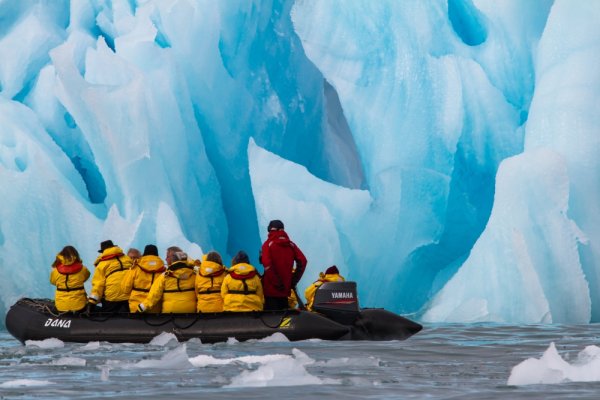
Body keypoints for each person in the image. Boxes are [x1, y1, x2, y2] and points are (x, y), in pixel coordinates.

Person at [260, 219, 307, 310]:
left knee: (271, 320)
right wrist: (294, 280)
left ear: (270, 230)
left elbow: (267, 265)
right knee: (284, 320)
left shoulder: (268, 244)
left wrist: (276, 282)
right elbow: (303, 261)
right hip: (285, 291)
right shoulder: (291, 245)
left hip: (271, 291)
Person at [137, 246, 196, 313]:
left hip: (170, 312)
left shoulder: (165, 276)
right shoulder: (194, 275)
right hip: (191, 312)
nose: (165, 259)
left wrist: (141, 308)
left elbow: (154, 295)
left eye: (167, 256)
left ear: (173, 258)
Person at [88, 240, 133, 312]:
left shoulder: (102, 265)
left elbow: (98, 285)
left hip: (112, 298)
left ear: (103, 252)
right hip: (130, 296)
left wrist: (91, 303)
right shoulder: (128, 259)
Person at [121, 244, 165, 313]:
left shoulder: (135, 268)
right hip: (155, 307)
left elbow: (125, 288)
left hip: (136, 307)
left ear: (144, 254)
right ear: (157, 254)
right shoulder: (164, 270)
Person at [50, 246, 91, 312]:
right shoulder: (83, 269)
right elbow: (86, 277)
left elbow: (52, 282)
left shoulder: (55, 270)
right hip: (80, 305)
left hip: (61, 305)